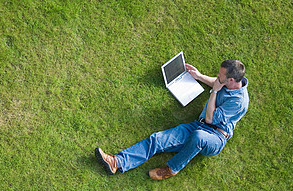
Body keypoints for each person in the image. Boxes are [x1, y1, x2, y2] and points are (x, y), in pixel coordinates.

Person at [95, 59, 249, 180]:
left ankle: (172, 169)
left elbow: (210, 118)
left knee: (199, 137)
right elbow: (217, 83)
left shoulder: (239, 102)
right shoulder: (230, 82)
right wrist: (200, 76)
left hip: (215, 137)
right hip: (198, 126)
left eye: (220, 77)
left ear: (231, 81)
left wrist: (214, 91)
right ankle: (117, 162)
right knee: (157, 140)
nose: (217, 77)